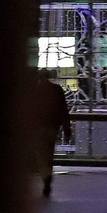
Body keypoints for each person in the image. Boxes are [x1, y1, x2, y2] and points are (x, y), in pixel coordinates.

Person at [32, 69, 72, 198]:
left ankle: (45, 176)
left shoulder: (35, 91)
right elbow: (63, 110)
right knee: (49, 152)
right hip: (52, 127)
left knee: (40, 153)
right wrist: (67, 129)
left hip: (38, 127)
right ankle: (48, 177)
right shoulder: (56, 90)